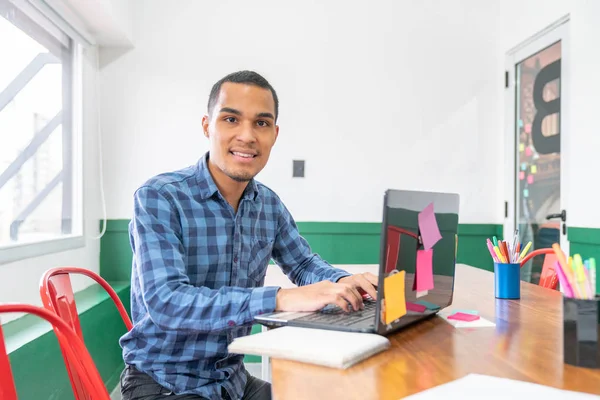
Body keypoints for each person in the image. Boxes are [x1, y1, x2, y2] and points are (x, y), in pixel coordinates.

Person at [119, 70, 378, 400]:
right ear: (206, 126)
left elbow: (304, 265)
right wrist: (280, 298)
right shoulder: (159, 197)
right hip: (165, 384)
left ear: (274, 133)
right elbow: (167, 303)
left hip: (232, 380)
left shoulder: (267, 204)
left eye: (261, 123)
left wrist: (344, 282)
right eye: (231, 119)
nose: (247, 135)